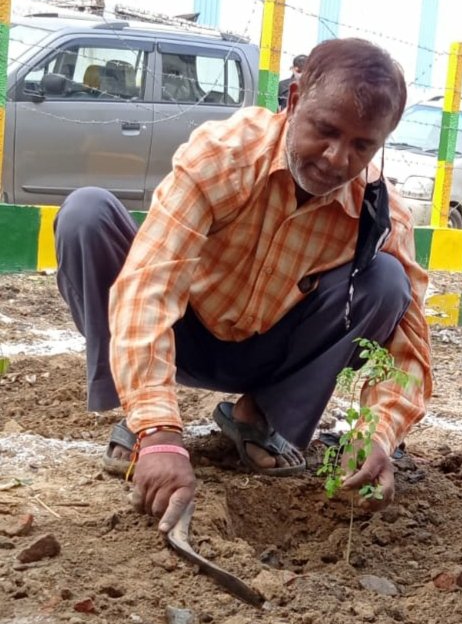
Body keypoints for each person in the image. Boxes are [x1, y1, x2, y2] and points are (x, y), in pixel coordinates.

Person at [54, 37, 432, 536]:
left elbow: (409, 351)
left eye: (363, 145)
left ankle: (261, 416)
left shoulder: (379, 213)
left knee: (387, 280)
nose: (338, 159)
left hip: (268, 353)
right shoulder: (225, 155)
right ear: (294, 101)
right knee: (87, 213)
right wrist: (162, 431)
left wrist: (377, 438)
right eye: (325, 130)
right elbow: (150, 284)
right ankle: (139, 414)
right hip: (183, 333)